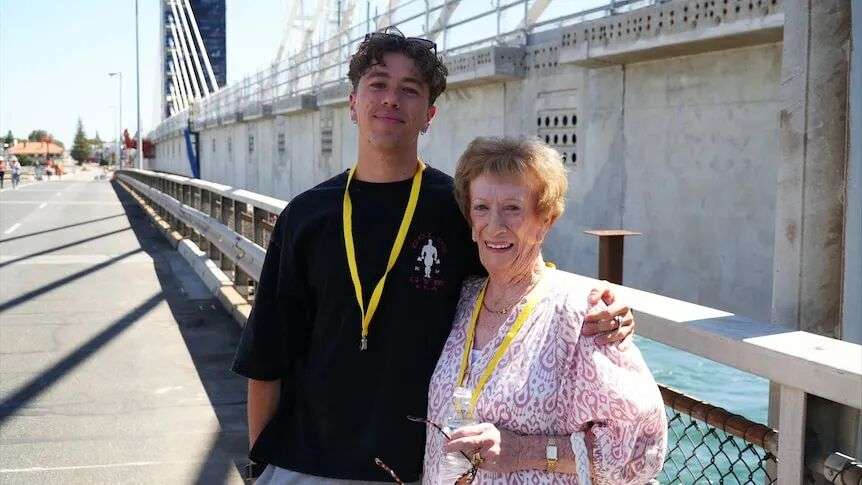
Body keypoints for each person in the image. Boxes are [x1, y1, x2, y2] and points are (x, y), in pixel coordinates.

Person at [232, 27, 636, 485]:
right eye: (378, 84)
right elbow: (267, 357)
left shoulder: (458, 209)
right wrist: (262, 465)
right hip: (302, 465)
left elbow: (518, 274)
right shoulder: (306, 216)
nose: (391, 99)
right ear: (352, 103)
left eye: (410, 90)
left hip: (416, 468)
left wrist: (598, 306)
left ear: (429, 114)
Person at [422, 137, 667, 484]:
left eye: (513, 208)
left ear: (546, 219)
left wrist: (523, 451)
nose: (495, 225)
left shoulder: (582, 315)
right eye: (482, 208)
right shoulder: (462, 300)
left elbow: (640, 451)